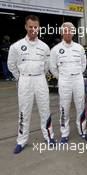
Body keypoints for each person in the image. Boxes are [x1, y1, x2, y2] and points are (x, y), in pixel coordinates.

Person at [7, 15, 55, 154]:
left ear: (39, 28)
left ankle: (49, 137)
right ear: (26, 27)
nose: (33, 29)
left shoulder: (45, 47)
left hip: (40, 79)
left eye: (36, 27)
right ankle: (21, 141)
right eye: (30, 26)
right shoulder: (16, 46)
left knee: (45, 109)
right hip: (25, 80)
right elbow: (11, 65)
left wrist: (39, 75)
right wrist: (20, 77)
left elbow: (46, 66)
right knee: (24, 111)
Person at [50, 22, 87, 144]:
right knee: (64, 107)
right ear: (61, 33)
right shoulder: (55, 50)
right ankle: (64, 134)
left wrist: (77, 74)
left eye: (70, 31)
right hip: (64, 80)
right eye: (65, 31)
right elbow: (52, 68)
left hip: (78, 79)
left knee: (80, 105)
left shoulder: (79, 48)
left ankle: (82, 130)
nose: (68, 33)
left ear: (73, 33)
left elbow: (83, 64)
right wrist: (61, 77)